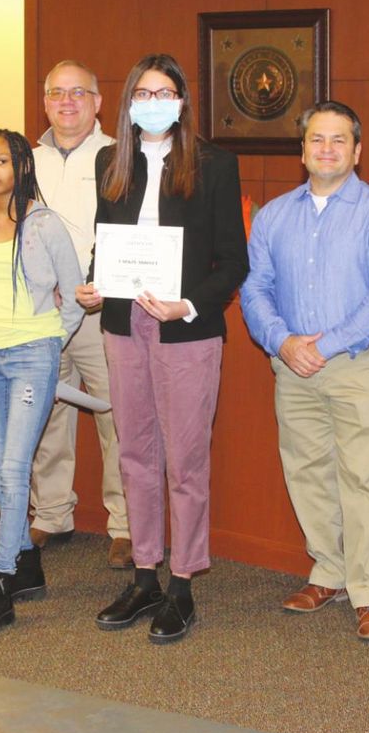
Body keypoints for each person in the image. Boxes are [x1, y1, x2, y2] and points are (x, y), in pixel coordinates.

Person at [81, 54, 249, 645]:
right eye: (143, 93)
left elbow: (234, 261)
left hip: (186, 330)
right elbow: (110, 243)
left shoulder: (214, 165)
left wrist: (189, 305)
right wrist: (94, 283)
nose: (154, 101)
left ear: (182, 100)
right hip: (124, 326)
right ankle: (145, 573)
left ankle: (182, 582)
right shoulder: (111, 160)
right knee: (135, 455)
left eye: (165, 92)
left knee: (185, 460)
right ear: (128, 102)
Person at [240, 101, 369, 643]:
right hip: (293, 367)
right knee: (307, 469)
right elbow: (255, 288)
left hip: (358, 364)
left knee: (364, 475)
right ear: (302, 150)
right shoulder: (274, 216)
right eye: (317, 139)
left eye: (339, 140)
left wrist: (328, 344)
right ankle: (328, 571)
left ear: (357, 150)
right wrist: (283, 341)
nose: (327, 149)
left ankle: (367, 591)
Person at [0, 130, 83, 638]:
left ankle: (1, 578)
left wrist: (50, 340)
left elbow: (72, 295)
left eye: (2, 160)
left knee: (13, 465)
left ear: (22, 166)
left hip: (34, 354)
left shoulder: (44, 224)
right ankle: (26, 562)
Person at [31, 59, 130, 567]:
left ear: (97, 102)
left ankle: (126, 525)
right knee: (47, 413)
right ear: (44, 101)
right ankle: (50, 514)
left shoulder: (119, 156)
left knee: (118, 416)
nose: (67, 102)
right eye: (57, 93)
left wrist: (103, 285)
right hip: (44, 312)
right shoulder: (25, 160)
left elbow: (129, 232)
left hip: (100, 310)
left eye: (78, 93)